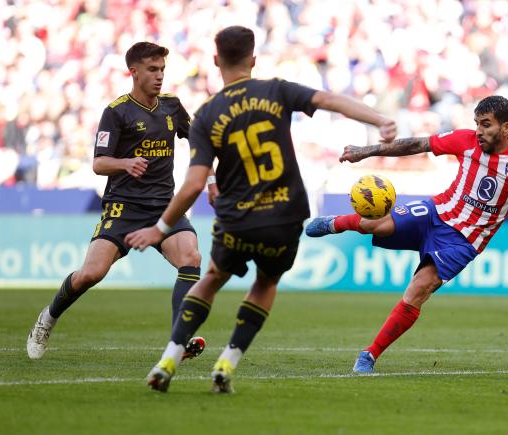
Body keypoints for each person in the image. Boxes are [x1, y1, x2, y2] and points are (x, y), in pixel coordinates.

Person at [124, 26, 397, 393]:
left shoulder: (207, 115)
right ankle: (227, 362)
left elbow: (192, 184)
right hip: (284, 215)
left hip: (237, 218)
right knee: (265, 283)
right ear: (253, 60)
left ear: (216, 61)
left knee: (211, 280)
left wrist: (160, 228)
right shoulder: (276, 90)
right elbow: (330, 100)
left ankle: (170, 356)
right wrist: (379, 120)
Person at [305, 95, 508, 373]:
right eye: (477, 123)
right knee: (377, 223)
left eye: (486, 124)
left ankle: (369, 354)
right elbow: (417, 144)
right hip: (436, 211)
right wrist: (366, 151)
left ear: (506, 127)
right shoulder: (465, 140)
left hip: (464, 240)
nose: (479, 131)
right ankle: (334, 223)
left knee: (420, 288)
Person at [26, 42, 207, 361]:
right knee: (91, 274)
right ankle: (47, 318)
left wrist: (214, 175)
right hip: (123, 207)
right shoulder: (117, 112)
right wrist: (124, 163)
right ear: (133, 72)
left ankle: (179, 340)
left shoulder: (172, 107)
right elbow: (98, 163)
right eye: (153, 69)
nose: (159, 76)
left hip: (164, 207)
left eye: (163, 69)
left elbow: (198, 141)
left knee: (191, 256)